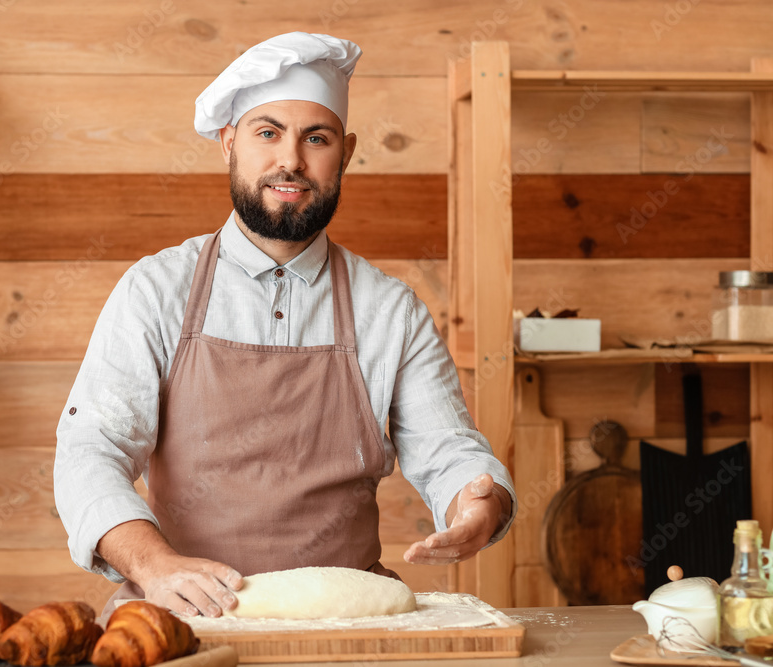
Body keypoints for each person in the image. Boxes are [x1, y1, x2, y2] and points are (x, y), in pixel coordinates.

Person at [54, 31, 517, 619]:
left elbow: (448, 449)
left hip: (349, 626)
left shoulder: (389, 310)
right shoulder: (155, 292)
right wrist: (154, 566)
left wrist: (480, 501)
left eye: (315, 138)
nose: (291, 161)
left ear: (345, 153)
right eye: (267, 132)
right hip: (183, 614)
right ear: (228, 143)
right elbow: (91, 450)